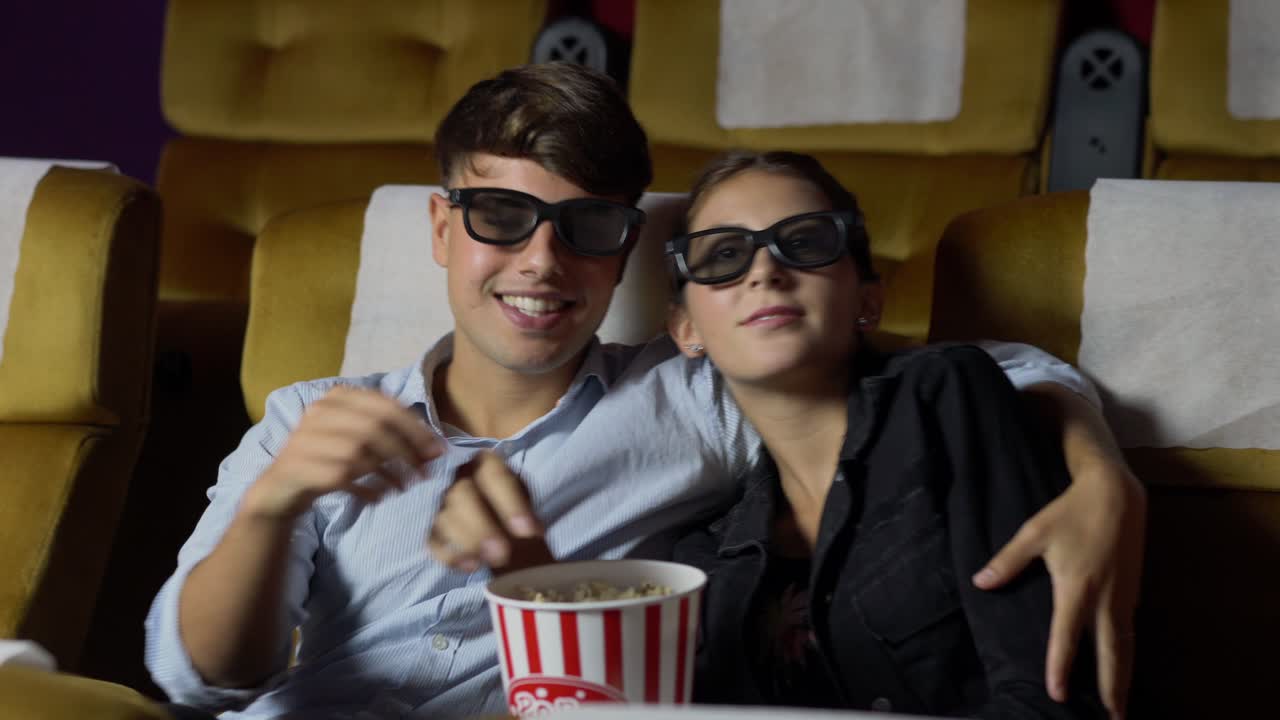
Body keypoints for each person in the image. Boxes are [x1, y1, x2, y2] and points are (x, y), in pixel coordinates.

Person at [147, 63, 1142, 719]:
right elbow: (199, 678)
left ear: (624, 249)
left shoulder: (693, 399)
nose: (542, 262)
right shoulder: (307, 417)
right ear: (444, 230)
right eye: (501, 217)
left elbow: (972, 376)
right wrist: (274, 509)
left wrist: (1103, 477)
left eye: (585, 227)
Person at [659, 150, 1104, 716]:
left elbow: (1050, 699)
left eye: (806, 242)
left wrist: (1101, 463)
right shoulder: (708, 555)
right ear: (686, 328)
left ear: (867, 300)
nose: (765, 271)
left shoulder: (944, 397)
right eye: (724, 254)